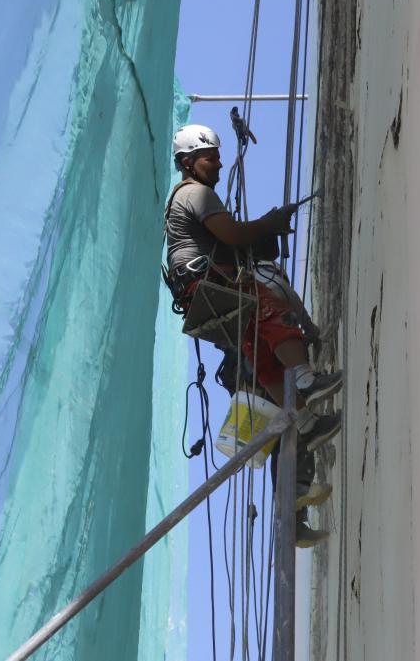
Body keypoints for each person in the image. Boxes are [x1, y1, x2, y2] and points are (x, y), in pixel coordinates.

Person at [165, 123, 343, 547]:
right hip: (208, 285)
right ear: (190, 163)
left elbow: (232, 242)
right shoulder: (196, 193)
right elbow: (235, 235)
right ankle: (304, 385)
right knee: (271, 311)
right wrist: (267, 224)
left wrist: (262, 232)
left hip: (203, 299)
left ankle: (307, 420)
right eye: (212, 157)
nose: (220, 164)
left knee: (264, 358)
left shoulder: (189, 208)